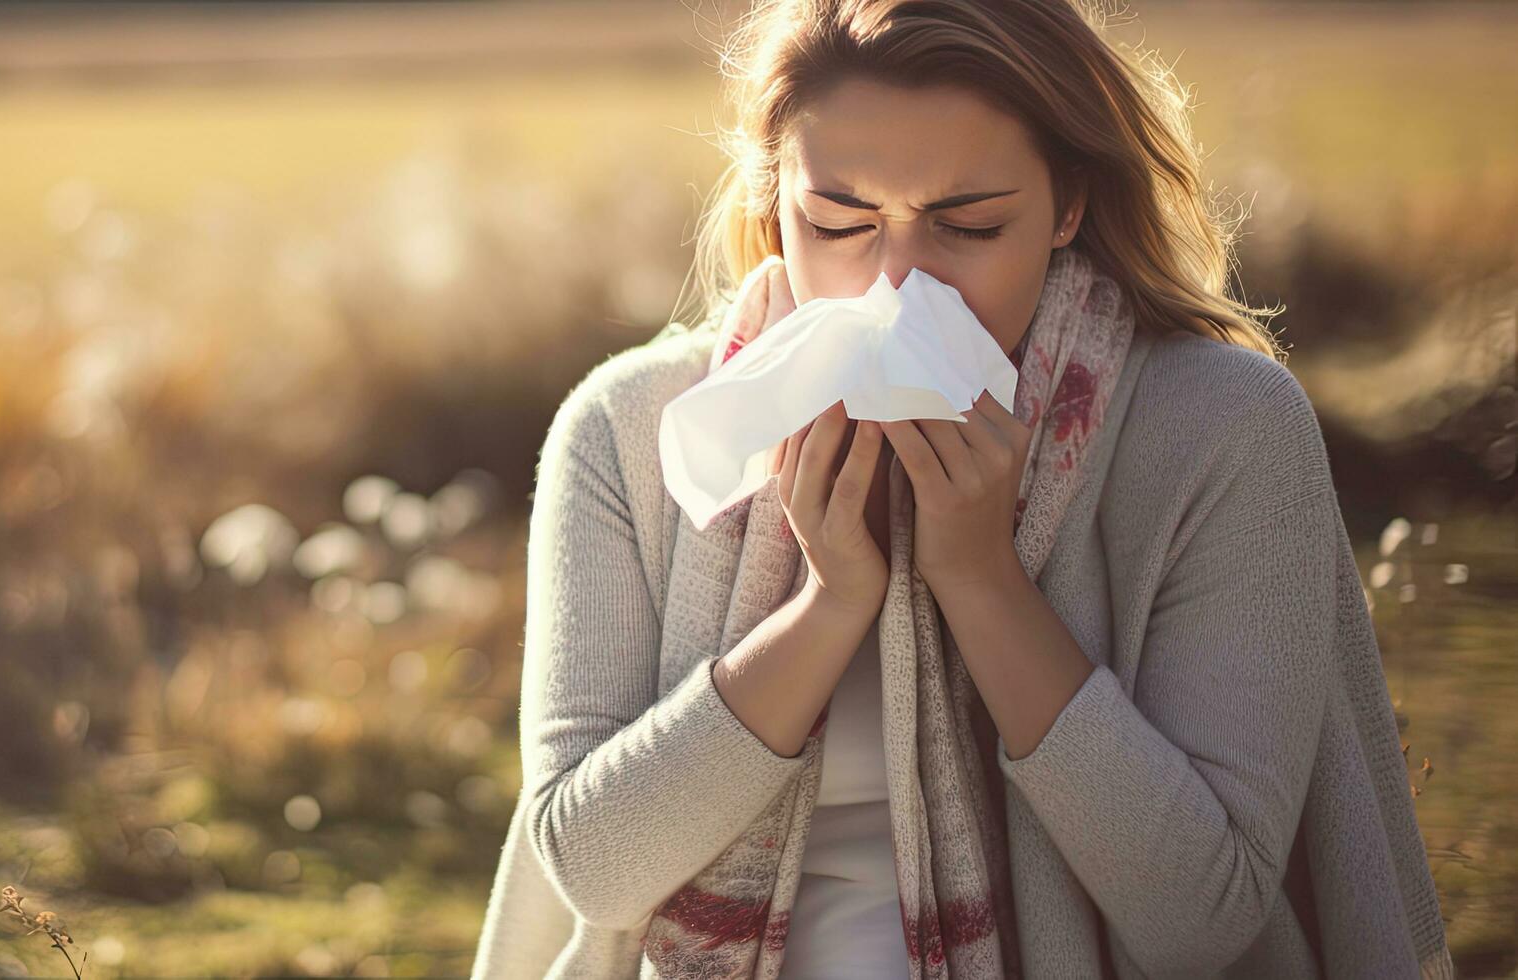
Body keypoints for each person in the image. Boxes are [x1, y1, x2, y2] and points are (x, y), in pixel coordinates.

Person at [468, 0, 1453, 976]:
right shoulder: (636, 432)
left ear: (1067, 203)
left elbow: (1202, 919)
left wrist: (982, 580)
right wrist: (826, 604)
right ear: (775, 205)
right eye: (838, 221)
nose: (898, 283)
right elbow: (591, 870)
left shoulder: (1218, 427)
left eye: (967, 225)